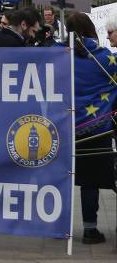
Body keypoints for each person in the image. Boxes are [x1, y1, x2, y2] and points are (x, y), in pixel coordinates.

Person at [62, 13, 116, 244]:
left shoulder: (59, 56)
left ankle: (59, 226)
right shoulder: (106, 59)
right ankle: (90, 229)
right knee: (90, 181)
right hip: (97, 128)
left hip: (63, 127)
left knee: (60, 178)